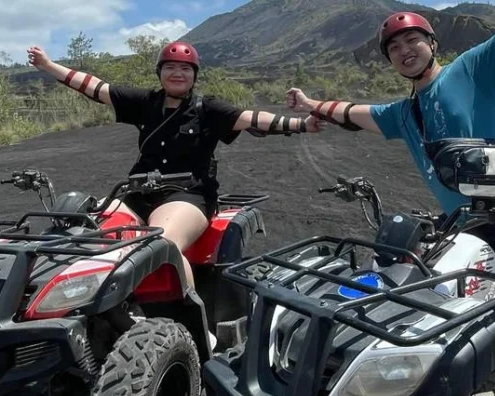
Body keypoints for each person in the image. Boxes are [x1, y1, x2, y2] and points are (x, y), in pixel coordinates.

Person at [284, 1, 495, 371]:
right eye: (394, 47)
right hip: (462, 225)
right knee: (402, 297)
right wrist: (310, 104)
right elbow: (352, 113)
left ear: (432, 43)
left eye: (412, 40)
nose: (404, 50)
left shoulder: (471, 69)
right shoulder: (402, 113)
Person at [27, 41, 321, 289]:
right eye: (170, 67)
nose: (177, 73)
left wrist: (302, 124)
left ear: (194, 75)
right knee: (87, 234)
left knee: (161, 244)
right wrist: (49, 66)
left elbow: (252, 118)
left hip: (187, 195)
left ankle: (191, 326)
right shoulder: (146, 102)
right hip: (137, 193)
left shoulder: (208, 108)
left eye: (185, 68)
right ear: (160, 72)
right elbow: (96, 87)